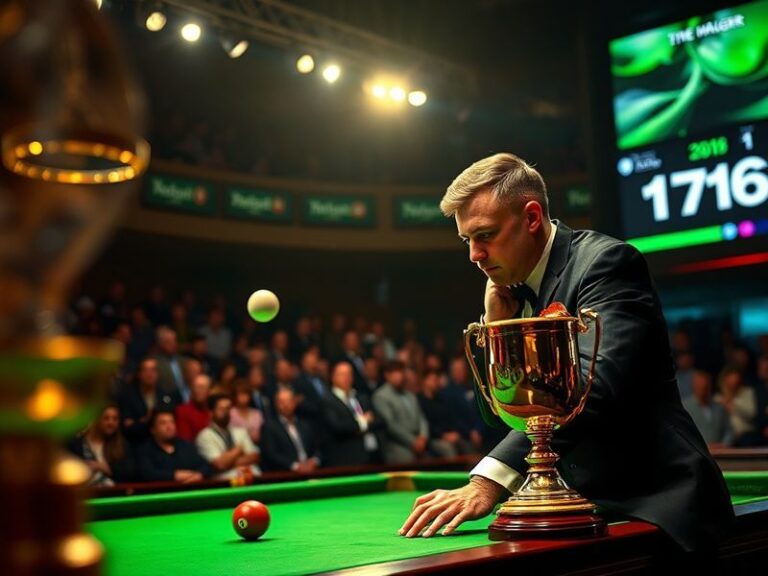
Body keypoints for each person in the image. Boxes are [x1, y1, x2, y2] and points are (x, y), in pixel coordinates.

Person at [399, 153, 733, 552]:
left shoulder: (606, 264)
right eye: (466, 240)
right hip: (577, 507)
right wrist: (497, 327)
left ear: (532, 217)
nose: (474, 254)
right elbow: (496, 412)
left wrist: (489, 480)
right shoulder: (507, 292)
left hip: (657, 504)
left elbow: (595, 389)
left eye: (485, 235)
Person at [372, 360, 430, 464]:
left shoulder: (410, 395)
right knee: (408, 458)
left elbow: (421, 418)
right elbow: (390, 425)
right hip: (395, 443)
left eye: (401, 372)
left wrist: (423, 437)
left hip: (419, 440)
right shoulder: (381, 396)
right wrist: (413, 441)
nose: (400, 376)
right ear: (387, 375)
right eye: (396, 373)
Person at [135, 409, 214, 482]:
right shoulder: (144, 450)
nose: (169, 427)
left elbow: (206, 466)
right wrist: (174, 475)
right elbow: (147, 473)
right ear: (153, 430)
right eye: (163, 423)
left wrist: (199, 475)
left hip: (189, 489)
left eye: (172, 422)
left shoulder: (186, 446)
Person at [66, 404, 135, 485]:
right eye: (106, 418)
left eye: (115, 419)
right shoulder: (77, 444)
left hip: (113, 490)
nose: (111, 422)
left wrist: (103, 467)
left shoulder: (121, 444)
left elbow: (130, 473)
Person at [196, 394, 261, 480]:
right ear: (211, 413)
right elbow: (220, 464)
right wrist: (238, 450)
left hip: (252, 478)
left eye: (228, 408)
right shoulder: (205, 436)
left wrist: (228, 461)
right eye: (221, 409)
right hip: (224, 483)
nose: (226, 412)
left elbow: (255, 456)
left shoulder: (241, 431)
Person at [260, 387, 320, 472]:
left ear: (294, 402)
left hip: (312, 471)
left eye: (289, 401)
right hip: (285, 474)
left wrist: (315, 461)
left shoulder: (306, 424)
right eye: (281, 402)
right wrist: (295, 466)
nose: (286, 405)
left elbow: (318, 447)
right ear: (276, 404)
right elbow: (271, 454)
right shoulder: (269, 427)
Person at [682, 369, 733, 448]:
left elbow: (729, 431)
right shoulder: (685, 407)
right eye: (700, 386)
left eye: (706, 386)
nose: (703, 389)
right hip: (695, 451)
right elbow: (682, 433)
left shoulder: (719, 408)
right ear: (694, 386)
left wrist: (723, 444)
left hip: (720, 451)